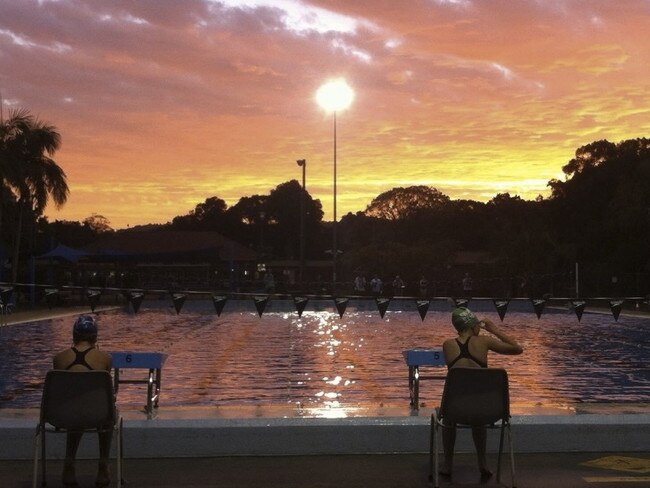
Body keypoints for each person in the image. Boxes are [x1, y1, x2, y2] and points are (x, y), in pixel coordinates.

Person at [440, 307, 523, 483]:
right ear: (472, 325)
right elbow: (517, 348)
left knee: (447, 417)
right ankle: (483, 464)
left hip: (455, 411)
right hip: (486, 411)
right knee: (477, 407)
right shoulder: (484, 341)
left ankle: (447, 464)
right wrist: (494, 330)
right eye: (477, 324)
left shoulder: (447, 345)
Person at [53, 315, 113, 488]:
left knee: (75, 407)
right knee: (108, 415)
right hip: (98, 417)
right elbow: (109, 394)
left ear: (74, 336)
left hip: (64, 416)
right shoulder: (105, 359)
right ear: (95, 337)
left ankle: (69, 464)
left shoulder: (59, 358)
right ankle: (103, 466)